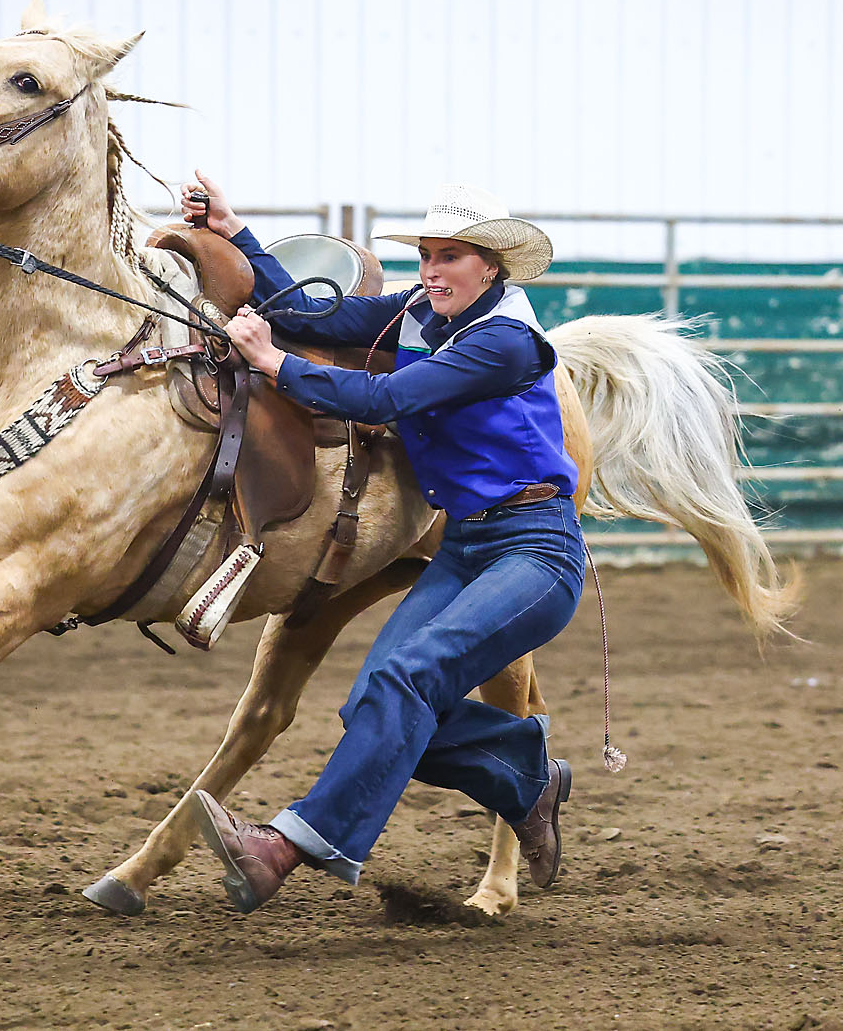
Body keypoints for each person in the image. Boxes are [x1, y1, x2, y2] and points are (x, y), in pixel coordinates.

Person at [181, 173, 587, 913]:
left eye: (450, 256)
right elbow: (304, 309)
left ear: (490, 266)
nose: (432, 270)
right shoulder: (413, 310)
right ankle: (530, 777)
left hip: (537, 548)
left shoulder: (505, 341)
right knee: (377, 699)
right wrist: (239, 232)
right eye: (427, 255)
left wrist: (274, 364)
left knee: (408, 680)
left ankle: (283, 847)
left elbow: (388, 399)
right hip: (468, 545)